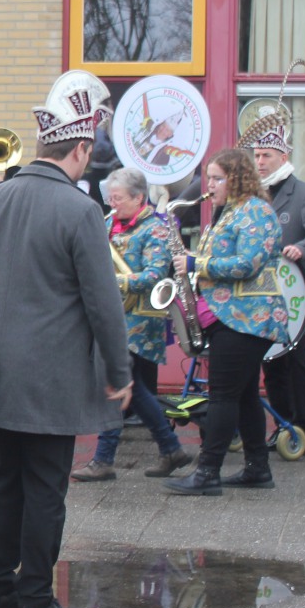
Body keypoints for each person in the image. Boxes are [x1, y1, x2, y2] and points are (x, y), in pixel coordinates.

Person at [0, 71, 131, 608]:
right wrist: (120, 371)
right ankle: (34, 597)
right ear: (80, 149)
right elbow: (104, 303)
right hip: (51, 376)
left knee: (4, 482)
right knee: (45, 489)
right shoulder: (81, 211)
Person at [164, 150, 292, 495]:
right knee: (245, 395)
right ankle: (257, 468)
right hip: (232, 316)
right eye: (209, 178)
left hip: (248, 317)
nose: (210, 186)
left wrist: (196, 264)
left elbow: (247, 263)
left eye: (217, 178)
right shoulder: (230, 212)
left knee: (222, 395)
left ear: (236, 178)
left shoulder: (256, 211)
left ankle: (207, 473)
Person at [74, 167, 193, 482]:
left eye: (118, 199)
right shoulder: (108, 223)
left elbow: (154, 275)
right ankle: (170, 448)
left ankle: (104, 459)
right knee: (134, 388)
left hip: (140, 319)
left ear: (139, 198)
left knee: (119, 383)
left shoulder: (156, 229)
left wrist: (110, 280)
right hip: (113, 316)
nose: (112, 205)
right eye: (110, 198)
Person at [245, 109, 305, 449]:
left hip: (296, 297)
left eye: (266, 155)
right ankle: (282, 426)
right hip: (261, 294)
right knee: (272, 366)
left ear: (283, 156)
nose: (260, 162)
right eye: (256, 155)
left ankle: (302, 429)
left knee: (295, 364)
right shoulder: (252, 195)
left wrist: (301, 248)